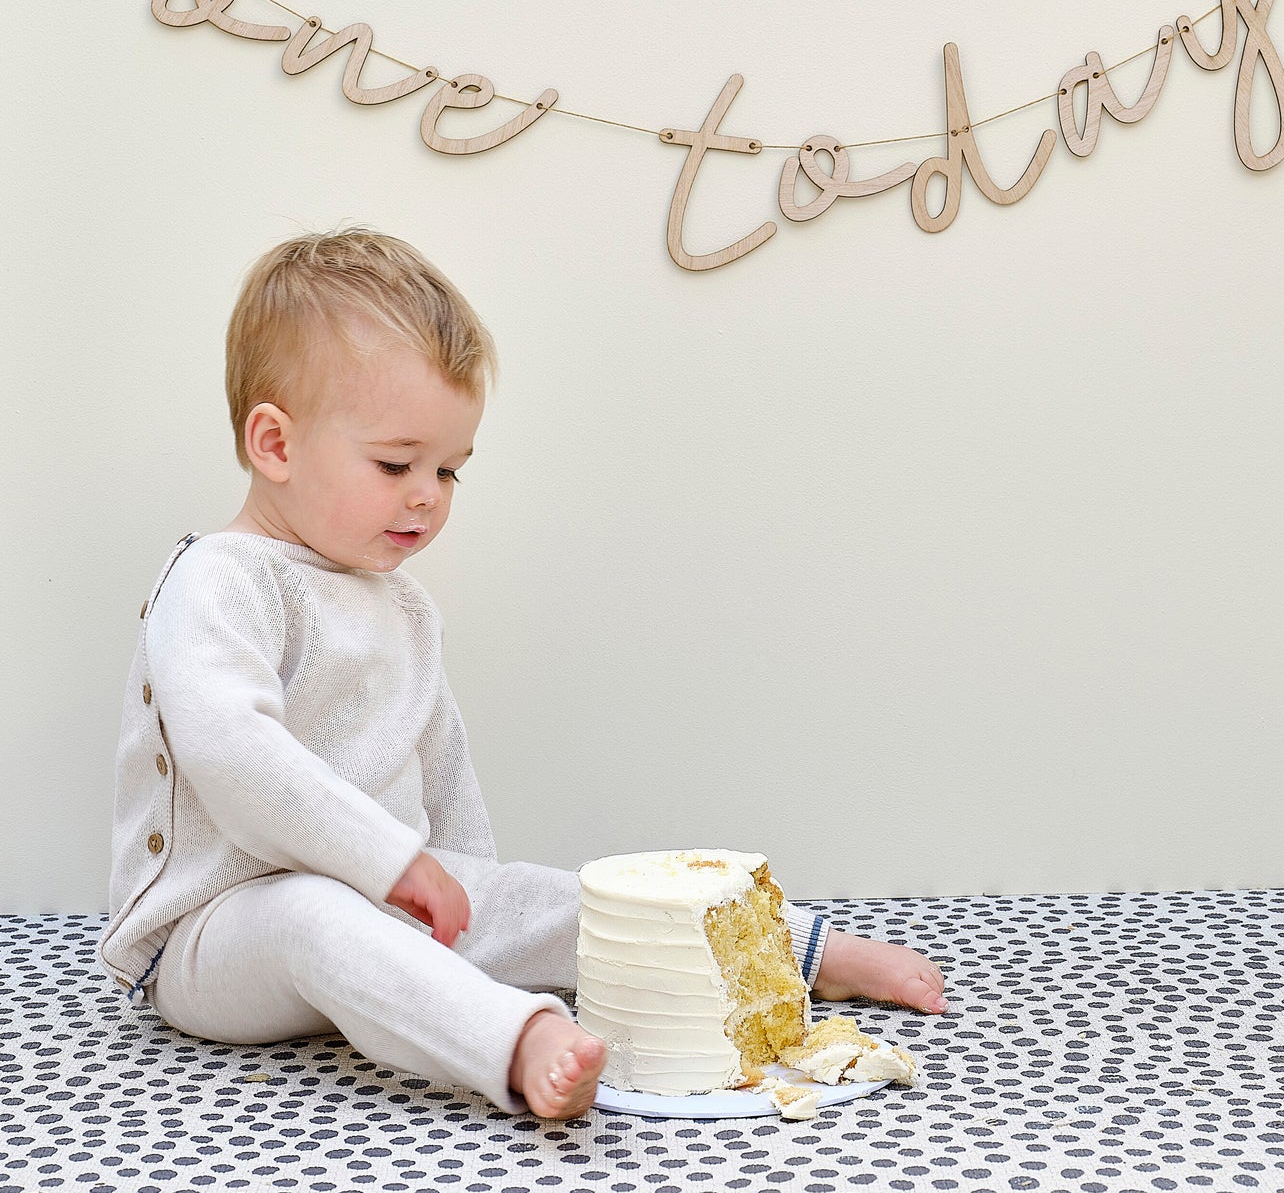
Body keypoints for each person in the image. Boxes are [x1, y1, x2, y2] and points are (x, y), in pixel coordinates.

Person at [99, 228, 947, 1119]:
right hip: (217, 935)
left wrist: (474, 899)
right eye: (396, 463)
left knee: (562, 897)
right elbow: (235, 757)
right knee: (312, 912)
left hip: (379, 899)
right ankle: (512, 1042)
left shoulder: (402, 605)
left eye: (449, 469)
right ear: (274, 443)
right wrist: (393, 864)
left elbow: (440, 763)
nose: (427, 493)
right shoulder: (219, 579)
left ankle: (801, 953)